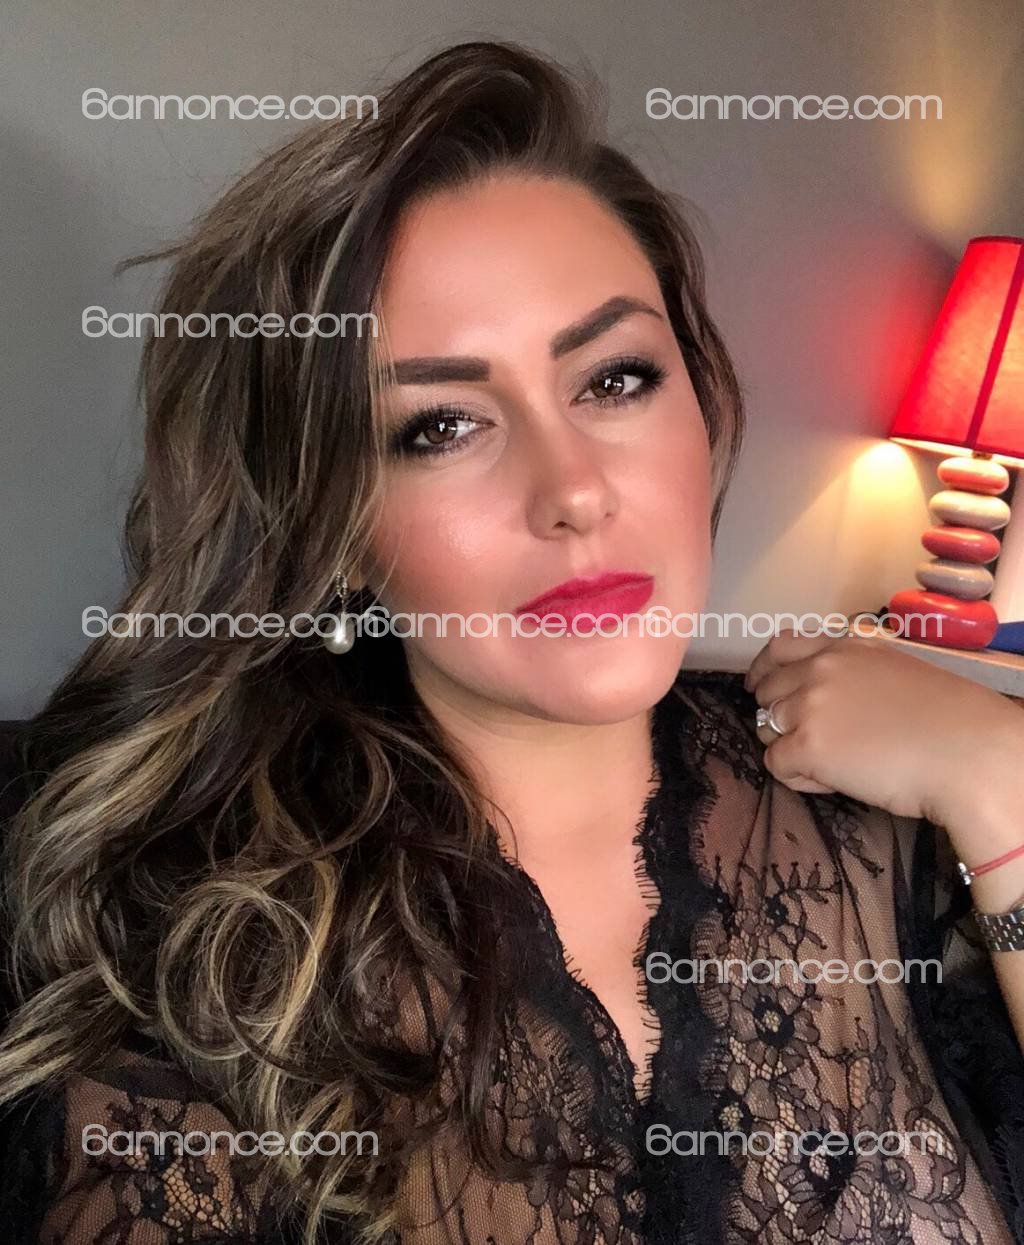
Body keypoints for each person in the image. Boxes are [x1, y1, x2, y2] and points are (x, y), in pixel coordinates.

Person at [2, 39, 1024, 1245]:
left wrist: (995, 774)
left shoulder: (890, 813)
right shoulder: (198, 949)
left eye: (614, 379)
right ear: (332, 526)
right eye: (440, 426)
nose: (573, 490)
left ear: (699, 397)